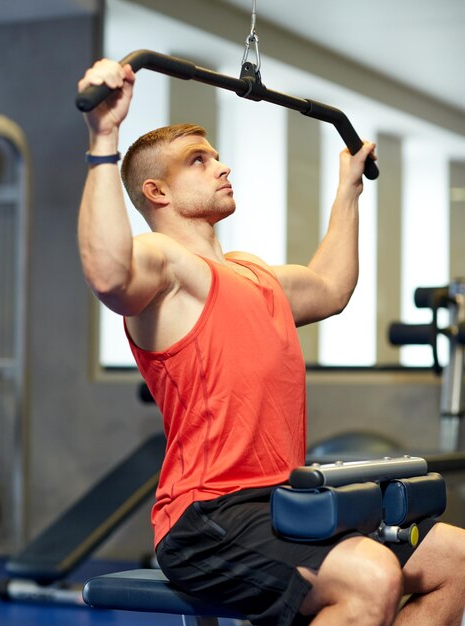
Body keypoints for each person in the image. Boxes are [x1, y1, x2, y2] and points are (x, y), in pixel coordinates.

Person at [77, 59, 465, 626]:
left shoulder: (252, 273)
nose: (222, 165)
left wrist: (348, 190)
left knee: (455, 557)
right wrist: (104, 137)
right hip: (208, 517)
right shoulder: (165, 265)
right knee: (371, 578)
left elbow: (331, 287)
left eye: (215, 154)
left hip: (286, 500)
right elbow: (110, 274)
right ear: (156, 191)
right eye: (198, 159)